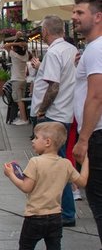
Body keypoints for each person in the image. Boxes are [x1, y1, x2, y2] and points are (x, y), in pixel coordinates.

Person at [3, 122, 87, 250]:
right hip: (55, 217)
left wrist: (11, 175)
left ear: (47, 142)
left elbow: (26, 187)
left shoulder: (35, 162)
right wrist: (86, 159)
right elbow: (81, 182)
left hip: (34, 216)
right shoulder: (65, 163)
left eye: (36, 138)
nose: (33, 141)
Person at [29, 15, 79, 227]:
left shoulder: (53, 53)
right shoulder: (71, 50)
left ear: (46, 32)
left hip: (54, 115)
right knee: (58, 164)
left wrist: (41, 110)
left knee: (55, 167)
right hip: (66, 112)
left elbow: (53, 86)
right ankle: (61, 208)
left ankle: (66, 211)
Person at [72, 0, 102, 250]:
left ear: (97, 17)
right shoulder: (92, 50)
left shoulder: (96, 49)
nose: (75, 17)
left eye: (80, 12)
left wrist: (83, 139)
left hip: (97, 134)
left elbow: (96, 95)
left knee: (99, 199)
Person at [4, 38, 30, 125]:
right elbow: (26, 46)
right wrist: (21, 44)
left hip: (16, 80)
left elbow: (5, 46)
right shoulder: (25, 55)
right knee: (21, 100)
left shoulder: (14, 55)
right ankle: (23, 117)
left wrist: (17, 43)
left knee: (19, 100)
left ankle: (24, 119)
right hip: (23, 80)